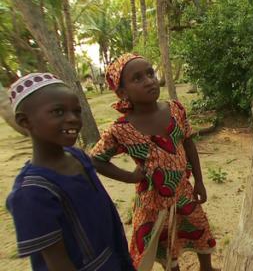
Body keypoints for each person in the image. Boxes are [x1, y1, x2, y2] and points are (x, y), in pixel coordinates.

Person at [90, 54, 217, 271]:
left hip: (183, 192)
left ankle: (207, 268)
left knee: (200, 230)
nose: (149, 80)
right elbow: (96, 160)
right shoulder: (121, 129)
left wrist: (200, 181)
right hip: (152, 203)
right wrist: (130, 177)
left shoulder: (175, 109)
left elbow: (188, 144)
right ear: (122, 92)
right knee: (166, 244)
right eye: (137, 78)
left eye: (150, 73)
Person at [5, 73, 135, 271]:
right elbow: (58, 263)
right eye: (58, 112)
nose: (73, 119)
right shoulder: (31, 194)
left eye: (76, 111)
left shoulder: (77, 156)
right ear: (25, 121)